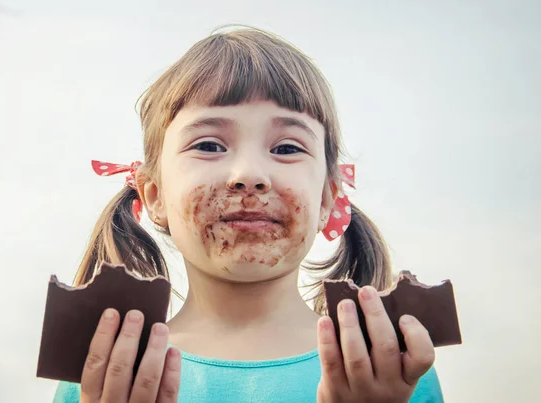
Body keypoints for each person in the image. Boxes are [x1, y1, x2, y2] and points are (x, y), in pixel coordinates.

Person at [53, 26, 444, 403]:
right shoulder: (103, 375)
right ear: (153, 195)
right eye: (208, 144)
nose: (250, 176)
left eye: (288, 148)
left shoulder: (396, 368)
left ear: (328, 198)